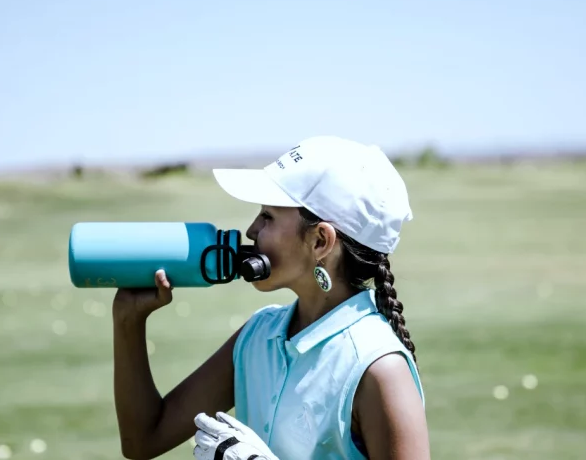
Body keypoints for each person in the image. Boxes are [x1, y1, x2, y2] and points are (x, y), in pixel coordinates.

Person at [111, 135, 431, 460]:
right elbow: (143, 440)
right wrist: (128, 321)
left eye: (268, 217)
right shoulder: (257, 336)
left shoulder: (380, 368)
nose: (251, 230)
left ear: (320, 241)